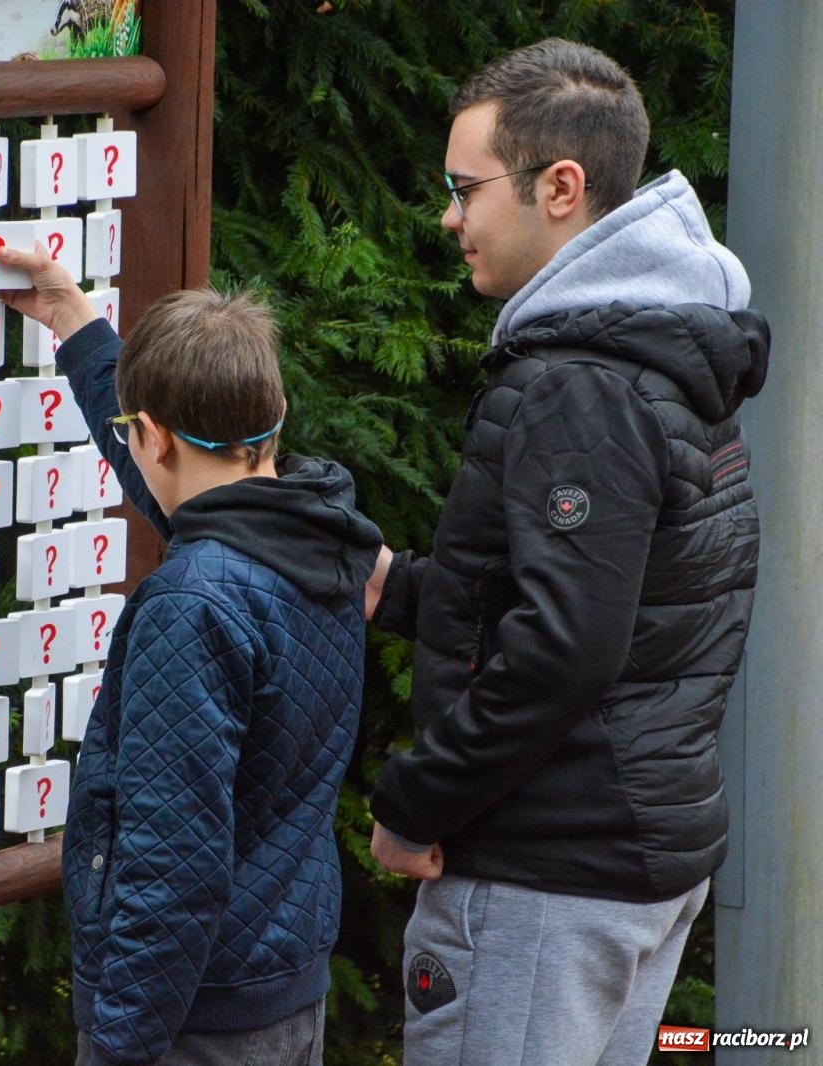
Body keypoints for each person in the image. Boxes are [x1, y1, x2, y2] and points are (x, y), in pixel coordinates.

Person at [363, 38, 770, 1066]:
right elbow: (637, 595)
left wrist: (413, 801)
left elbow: (566, 647)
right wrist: (404, 589)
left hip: (547, 880)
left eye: (465, 188)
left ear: (559, 186)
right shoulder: (667, 338)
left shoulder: (576, 379)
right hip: (633, 861)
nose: (449, 218)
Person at [0, 244, 382, 1065]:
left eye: (132, 434)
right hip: (279, 987)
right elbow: (172, 485)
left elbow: (174, 867)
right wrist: (74, 322)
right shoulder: (313, 532)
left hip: (189, 1022)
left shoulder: (193, 603)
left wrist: (119, 1046)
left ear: (155, 438)